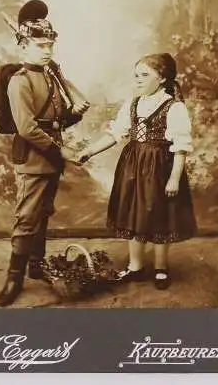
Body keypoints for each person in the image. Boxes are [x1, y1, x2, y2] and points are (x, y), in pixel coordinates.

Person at [76, 52, 197, 290]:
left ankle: (161, 267)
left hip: (160, 168)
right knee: (134, 214)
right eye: (136, 76)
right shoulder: (133, 103)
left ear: (162, 78)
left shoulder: (174, 107)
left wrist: (174, 179)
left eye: (144, 75)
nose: (138, 80)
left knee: (160, 216)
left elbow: (181, 148)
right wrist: (89, 151)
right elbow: (115, 134)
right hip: (133, 168)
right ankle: (135, 266)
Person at [0, 0, 88, 307]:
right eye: (40, 45)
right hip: (35, 158)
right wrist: (61, 154)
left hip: (52, 157)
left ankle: (36, 266)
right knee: (26, 218)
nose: (47, 51)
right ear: (23, 47)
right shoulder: (19, 82)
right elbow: (27, 128)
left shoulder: (50, 76)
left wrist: (75, 114)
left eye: (50, 45)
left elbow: (56, 119)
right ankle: (14, 277)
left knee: (43, 213)